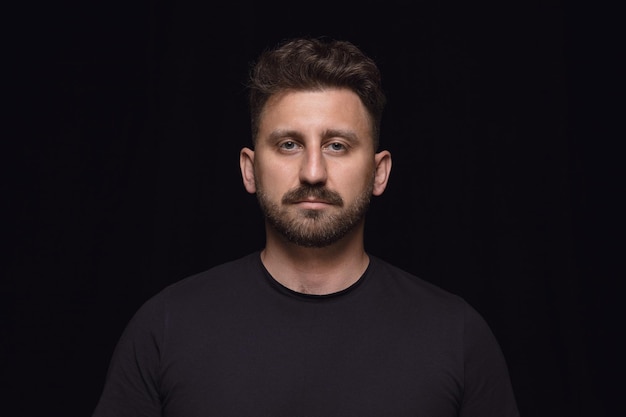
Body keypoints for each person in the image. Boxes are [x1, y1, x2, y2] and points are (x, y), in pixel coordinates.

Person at [92, 37, 520, 417]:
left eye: (337, 145)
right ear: (250, 169)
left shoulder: (456, 335)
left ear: (379, 172)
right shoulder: (166, 327)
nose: (312, 171)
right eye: (289, 144)